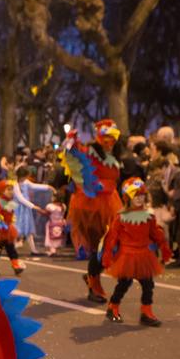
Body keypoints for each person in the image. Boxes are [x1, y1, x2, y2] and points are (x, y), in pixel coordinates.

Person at [61, 119, 123, 304]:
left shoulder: (114, 157)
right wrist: (70, 142)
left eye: (112, 138)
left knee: (112, 245)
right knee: (99, 246)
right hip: (90, 205)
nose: (109, 142)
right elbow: (72, 156)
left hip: (111, 203)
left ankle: (92, 277)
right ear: (99, 137)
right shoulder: (89, 152)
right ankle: (94, 282)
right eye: (106, 138)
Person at [101, 178, 173, 326]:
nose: (139, 199)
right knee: (124, 284)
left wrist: (164, 249)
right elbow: (112, 238)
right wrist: (107, 256)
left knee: (148, 285)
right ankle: (112, 307)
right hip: (127, 256)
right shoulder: (121, 217)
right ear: (128, 198)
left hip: (144, 255)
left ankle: (146, 312)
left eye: (141, 195)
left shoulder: (149, 216)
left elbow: (156, 234)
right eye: (136, 196)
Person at [0, 180, 24, 274]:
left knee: (11, 249)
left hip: (8, 230)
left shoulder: (11, 202)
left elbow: (11, 216)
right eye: (8, 189)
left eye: (12, 189)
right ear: (2, 190)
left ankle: (16, 266)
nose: (11, 191)